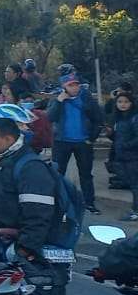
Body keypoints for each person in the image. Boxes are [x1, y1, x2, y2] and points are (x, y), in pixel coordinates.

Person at [0, 117, 67, 268]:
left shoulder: (31, 168)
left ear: (8, 139)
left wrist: (23, 250)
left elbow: (38, 214)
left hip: (17, 248)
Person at [47, 72, 105, 214]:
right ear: (64, 86)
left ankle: (89, 203)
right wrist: (59, 101)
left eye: (76, 85)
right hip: (62, 141)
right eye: (70, 85)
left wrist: (91, 138)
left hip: (83, 142)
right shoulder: (57, 98)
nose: (74, 88)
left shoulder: (86, 98)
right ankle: (57, 202)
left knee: (85, 174)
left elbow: (98, 118)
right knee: (58, 172)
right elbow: (50, 117)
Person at [108, 92, 138, 220]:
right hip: (122, 156)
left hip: (133, 156)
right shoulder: (118, 119)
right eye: (120, 102)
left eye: (126, 101)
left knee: (135, 184)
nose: (123, 104)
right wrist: (110, 134)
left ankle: (136, 211)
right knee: (131, 183)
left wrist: (125, 145)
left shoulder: (134, 118)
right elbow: (117, 138)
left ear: (131, 103)